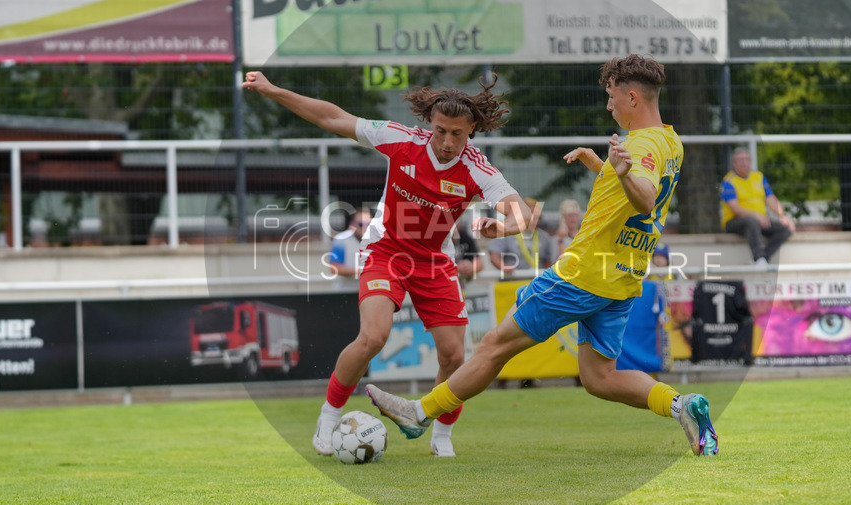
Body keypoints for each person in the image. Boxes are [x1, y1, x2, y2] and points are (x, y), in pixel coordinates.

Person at [365, 54, 718, 457]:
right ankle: (681, 405)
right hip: (622, 278)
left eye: (611, 97)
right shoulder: (671, 141)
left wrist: (619, 172)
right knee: (599, 378)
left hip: (581, 274)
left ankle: (419, 413)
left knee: (495, 344)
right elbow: (637, 193)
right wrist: (604, 168)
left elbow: (645, 198)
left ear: (633, 96)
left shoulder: (640, 144)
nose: (609, 106)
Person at [243, 71, 532, 458]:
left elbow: (523, 213)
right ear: (429, 123)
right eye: (440, 131)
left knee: (454, 356)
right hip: (386, 252)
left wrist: (505, 227)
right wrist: (272, 90)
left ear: (472, 130)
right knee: (373, 337)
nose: (447, 142)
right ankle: (329, 415)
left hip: (434, 261)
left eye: (457, 134)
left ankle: (440, 436)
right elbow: (333, 118)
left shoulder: (477, 168)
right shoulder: (401, 140)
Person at [720, 147, 796, 266]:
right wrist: (756, 216)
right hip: (734, 222)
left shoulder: (758, 177)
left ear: (750, 161)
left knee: (784, 229)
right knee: (752, 221)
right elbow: (735, 208)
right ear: (733, 163)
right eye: (740, 160)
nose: (744, 162)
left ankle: (763, 258)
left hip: (759, 220)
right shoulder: (728, 181)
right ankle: (759, 257)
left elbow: (770, 198)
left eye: (746, 159)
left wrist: (783, 216)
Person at [488, 197, 557, 276]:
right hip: (512, 281)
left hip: (537, 283)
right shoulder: (506, 232)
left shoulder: (545, 237)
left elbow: (548, 261)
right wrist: (503, 267)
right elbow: (494, 255)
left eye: (536, 217)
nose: (534, 220)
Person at [326, 208, 371, 278]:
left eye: (369, 224)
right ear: (352, 225)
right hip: (346, 288)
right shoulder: (341, 240)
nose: (365, 227)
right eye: (361, 224)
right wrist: (361, 272)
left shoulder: (376, 240)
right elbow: (334, 268)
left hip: (368, 287)